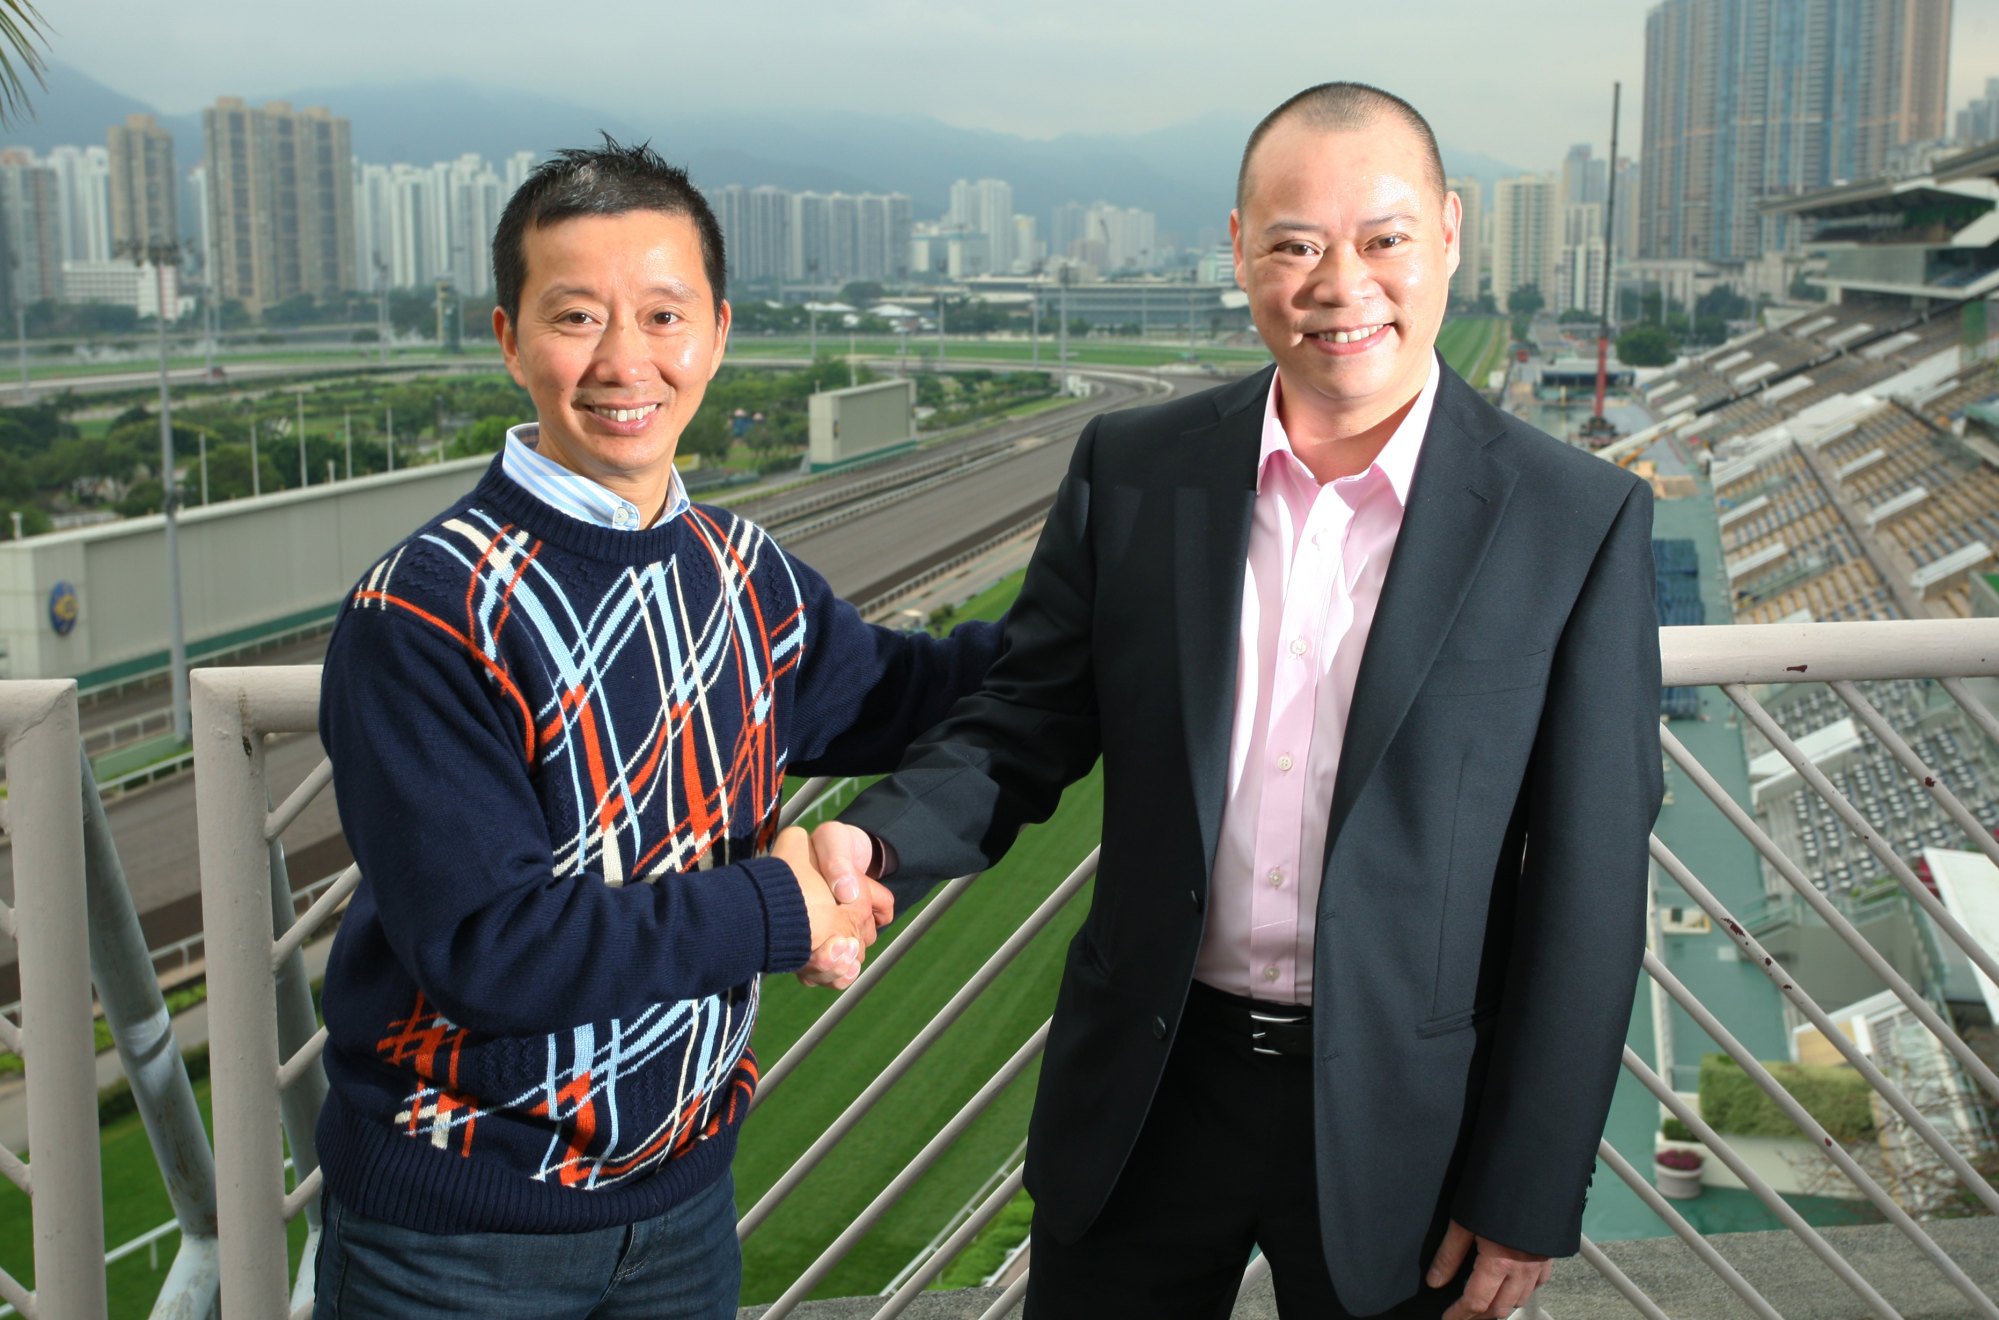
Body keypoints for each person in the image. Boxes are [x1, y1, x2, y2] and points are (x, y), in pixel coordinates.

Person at [811, 83, 1663, 1319]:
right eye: (1294, 243)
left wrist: (1529, 1185)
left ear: (1450, 236)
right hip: (1153, 1092)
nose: (1340, 282)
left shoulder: (1574, 520)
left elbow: (1589, 886)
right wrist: (879, 833)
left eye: (1382, 239)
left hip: (1407, 1125)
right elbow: (1027, 719)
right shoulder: (1136, 469)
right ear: (1237, 251)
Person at [311, 139, 998, 1319]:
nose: (625, 360)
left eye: (664, 315)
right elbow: (494, 946)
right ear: (508, 338)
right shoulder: (424, 609)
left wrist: (1126, 604)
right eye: (576, 316)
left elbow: (910, 694)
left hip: (681, 1213)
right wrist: (783, 906)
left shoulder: (740, 571)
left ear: (718, 333)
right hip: (458, 1240)